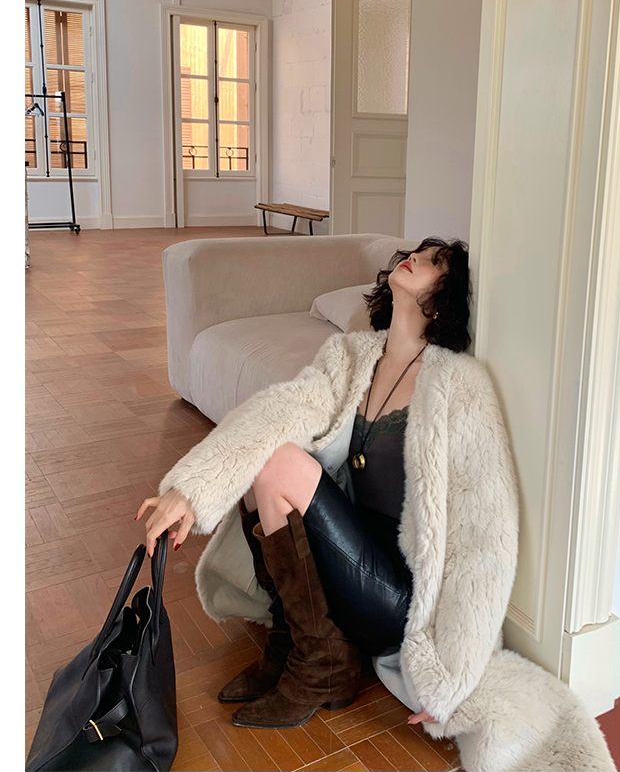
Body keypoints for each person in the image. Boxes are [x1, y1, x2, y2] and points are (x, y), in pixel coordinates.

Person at [137, 237, 473, 730]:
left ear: (444, 298)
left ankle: (322, 667)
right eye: (417, 252)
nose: (415, 258)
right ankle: (294, 641)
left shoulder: (454, 384)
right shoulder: (352, 356)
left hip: (396, 599)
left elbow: (481, 533)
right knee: (262, 451)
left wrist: (459, 666)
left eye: (434, 262)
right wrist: (189, 491)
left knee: (281, 462)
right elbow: (278, 411)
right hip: (346, 567)